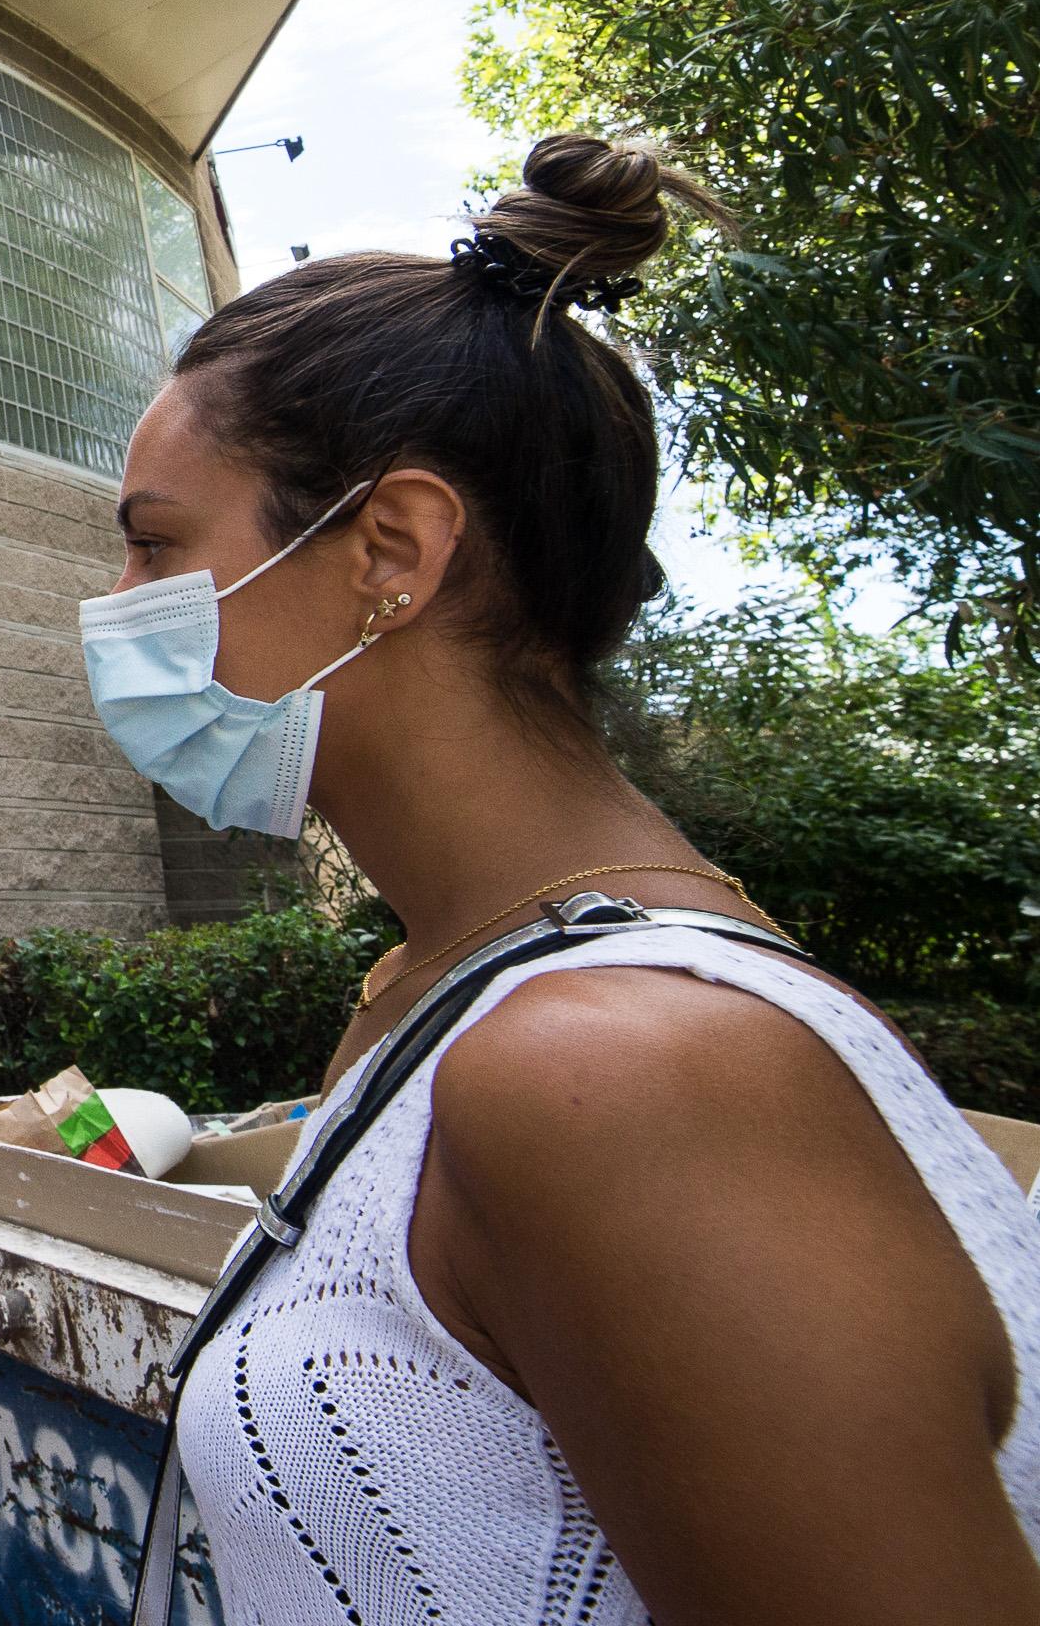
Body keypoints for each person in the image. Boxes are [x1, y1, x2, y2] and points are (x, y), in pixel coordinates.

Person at [86, 135, 1040, 1620]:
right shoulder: (453, 990)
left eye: (155, 546)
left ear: (389, 551)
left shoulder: (625, 1070)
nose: (118, 612)